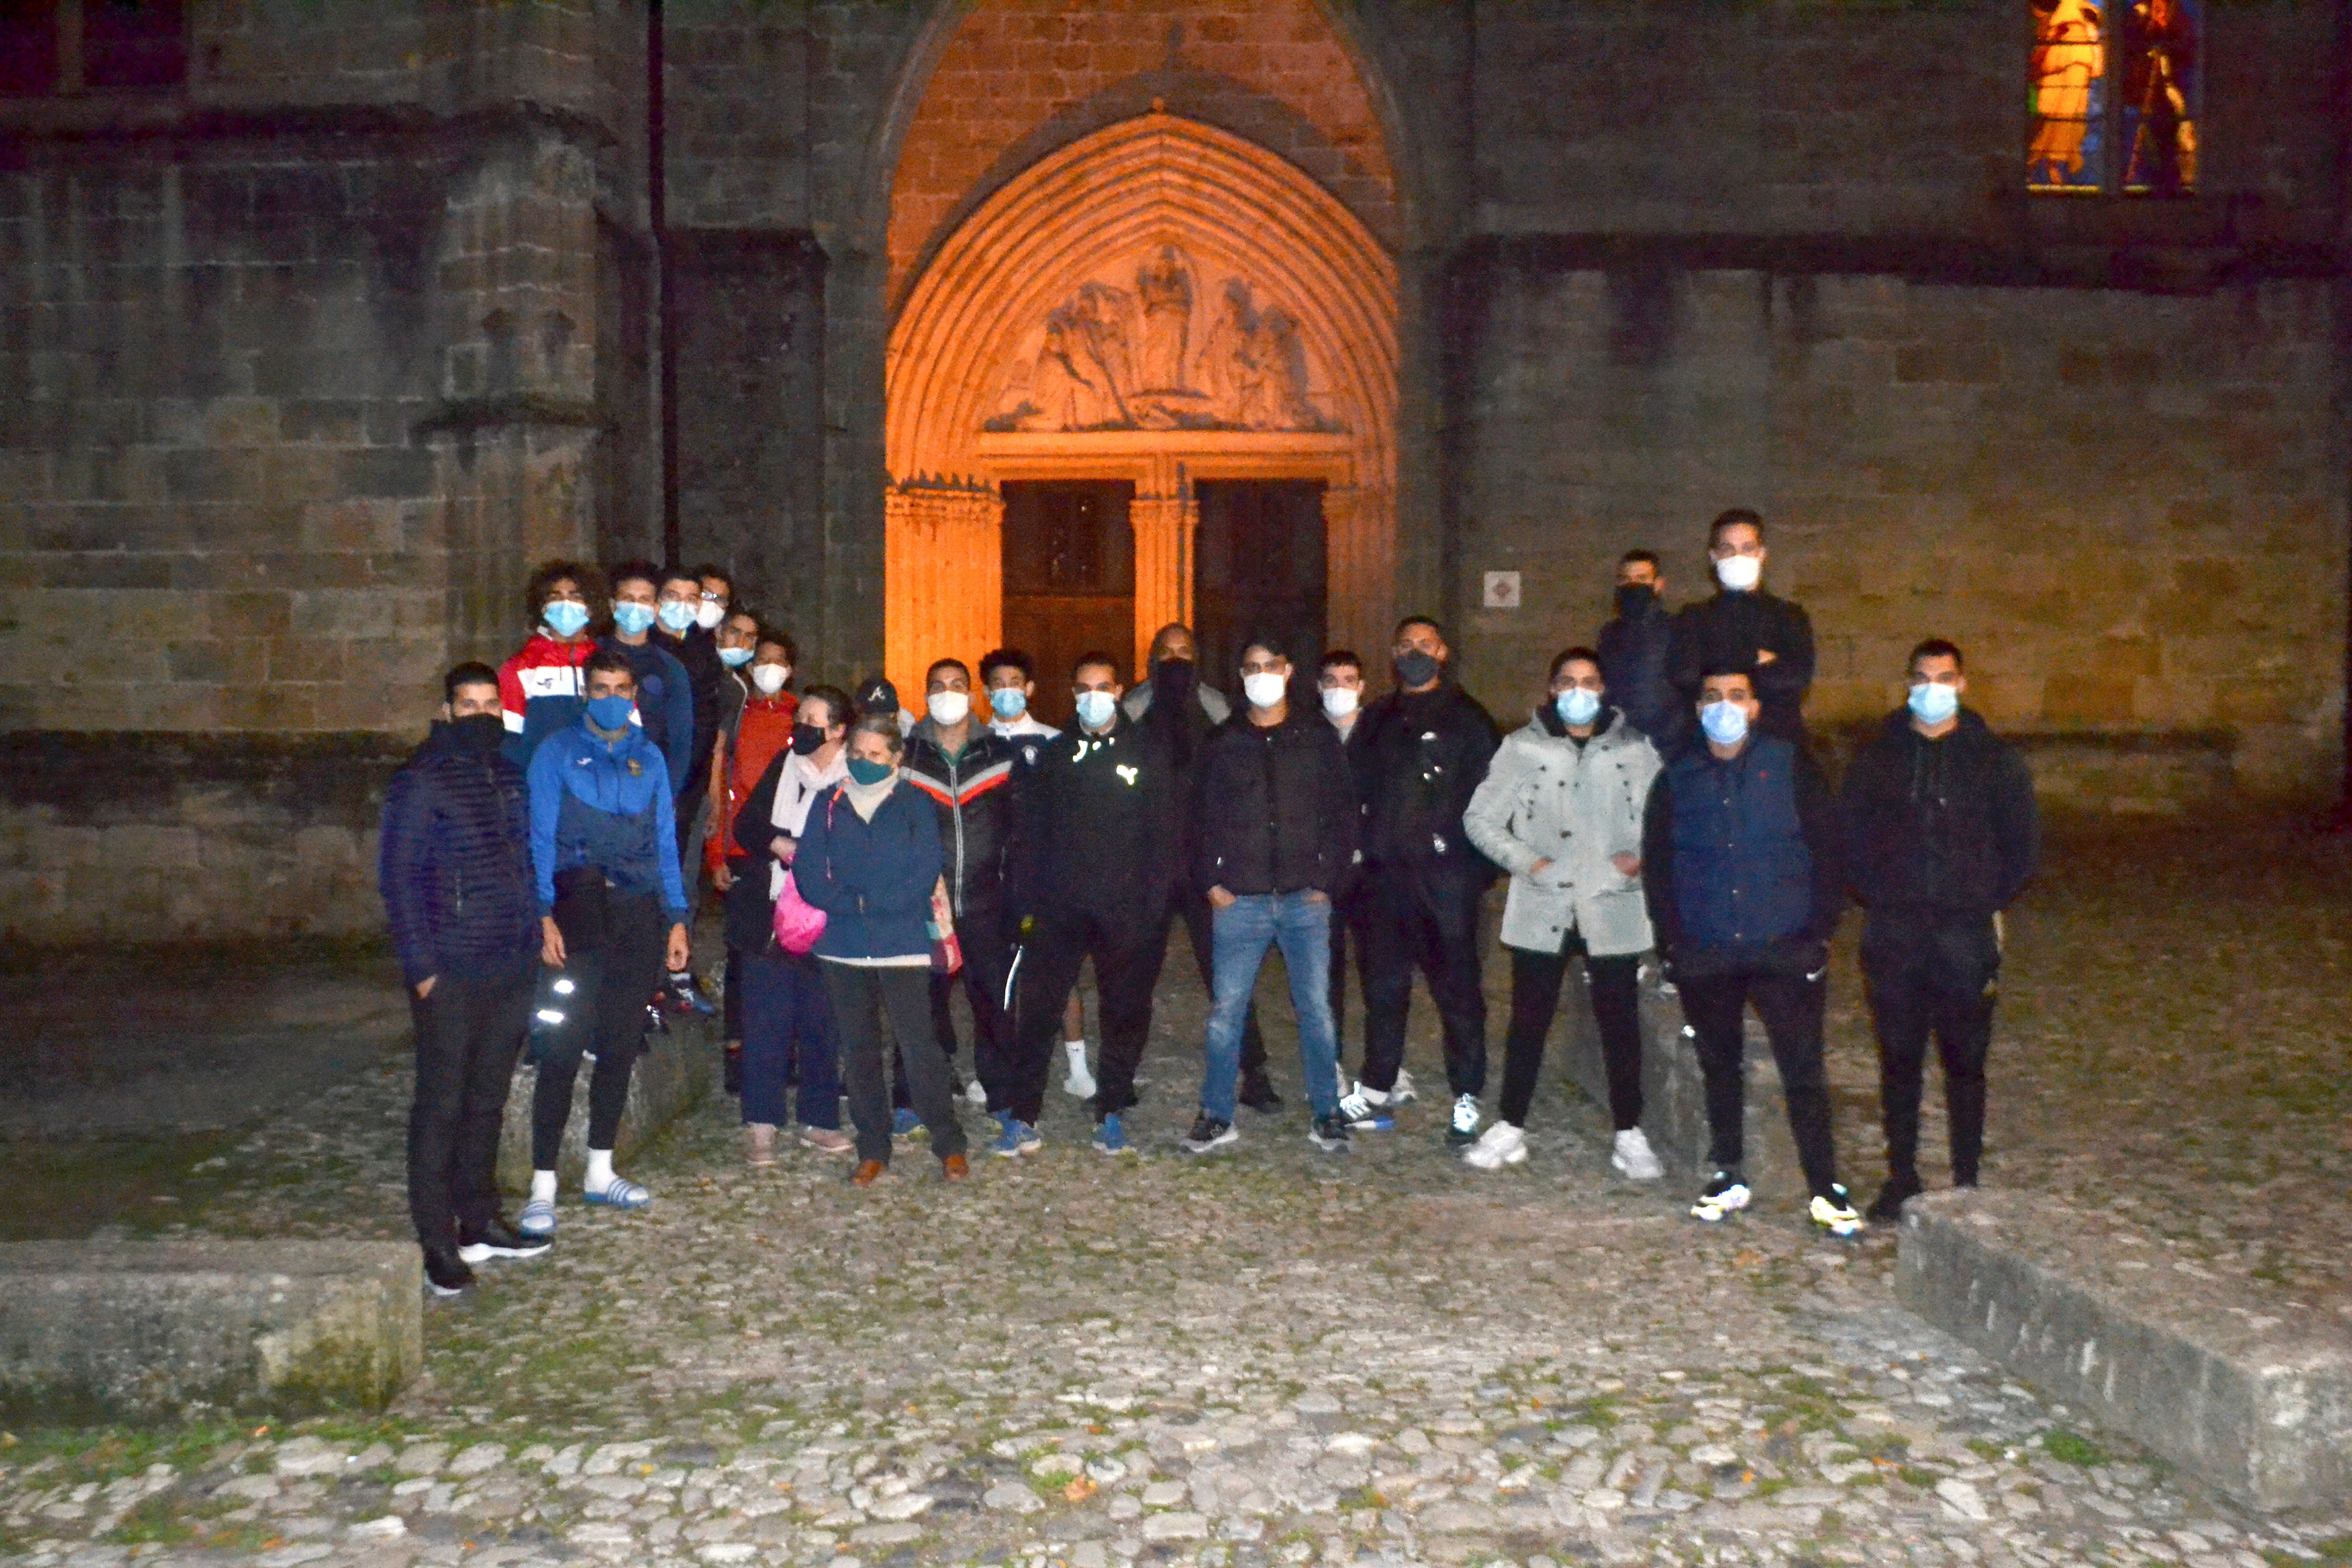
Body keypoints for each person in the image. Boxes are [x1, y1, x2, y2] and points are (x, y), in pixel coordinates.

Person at [1641, 664, 1860, 1236]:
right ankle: (1729, 1171)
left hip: (1783, 946)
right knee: (1720, 1066)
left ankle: (1823, 1183)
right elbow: (1660, 866)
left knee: (1803, 1069)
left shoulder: (1790, 767)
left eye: (1737, 696)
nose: (1724, 705)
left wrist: (1816, 935)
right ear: (1697, 709)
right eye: (1712, 696)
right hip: (1708, 949)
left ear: (1757, 707)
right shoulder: (1677, 778)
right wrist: (1674, 943)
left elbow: (1829, 852)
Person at [1840, 639, 2039, 1222]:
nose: (1933, 688)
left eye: (1945, 677)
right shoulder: (1878, 758)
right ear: (1907, 683)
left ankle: (1966, 1176)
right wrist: (1877, 891)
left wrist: (1980, 898)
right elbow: (1849, 833)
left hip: (1963, 931)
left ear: (1963, 683)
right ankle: (1901, 1174)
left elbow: (2022, 845)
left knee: (1965, 1058)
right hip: (1895, 929)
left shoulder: (1995, 760)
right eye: (1923, 678)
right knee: (1898, 1058)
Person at [379, 663, 549, 1296]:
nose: (479, 714)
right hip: (450, 969)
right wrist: (422, 969)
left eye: (488, 703)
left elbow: (525, 860)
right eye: (467, 704)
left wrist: (534, 937)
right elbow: (398, 878)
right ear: (447, 710)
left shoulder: (507, 774)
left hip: (509, 962)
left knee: (488, 1099)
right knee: (442, 1104)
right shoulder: (421, 779)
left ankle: (478, 1220)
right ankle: (437, 1238)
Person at [1462, 649, 1664, 1177]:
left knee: (1620, 1022)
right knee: (1529, 1019)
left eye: (1590, 681)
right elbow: (1481, 819)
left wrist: (1640, 858)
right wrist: (1528, 862)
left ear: (1604, 689)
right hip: (1544, 901)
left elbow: (1666, 816)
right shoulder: (1523, 748)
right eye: (1568, 682)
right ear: (1552, 689)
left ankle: (1629, 1130)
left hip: (1611, 902)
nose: (1579, 692)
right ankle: (1511, 1125)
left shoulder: (1635, 750)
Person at [521, 649, 693, 1235]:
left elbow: (667, 842)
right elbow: (540, 836)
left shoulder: (650, 758)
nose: (613, 697)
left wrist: (676, 917)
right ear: (586, 692)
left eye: (623, 687)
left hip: (637, 914)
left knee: (621, 1041)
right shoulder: (556, 753)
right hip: (579, 911)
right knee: (562, 1046)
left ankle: (601, 1167)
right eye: (602, 687)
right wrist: (542, 912)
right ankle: (542, 1182)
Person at [1004, 651, 1191, 1156]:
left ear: (1119, 690)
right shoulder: (1056, 753)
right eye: (1084, 688)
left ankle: (1110, 1109)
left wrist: (1155, 906)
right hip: (1059, 909)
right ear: (1072, 693)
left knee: (1125, 1011)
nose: (1094, 697)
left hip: (1127, 911)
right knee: (1039, 1011)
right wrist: (1030, 905)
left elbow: (1166, 833)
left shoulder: (1150, 750)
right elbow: (1032, 833)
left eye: (1104, 687)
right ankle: (1024, 1114)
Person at [1182, 639, 1358, 1156]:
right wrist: (1210, 883)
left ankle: (1327, 1111)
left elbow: (1343, 814)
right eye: (1253, 668)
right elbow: (1197, 817)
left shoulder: (1316, 738)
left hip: (1306, 899)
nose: (1263, 676)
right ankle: (1217, 1113)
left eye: (1271, 667)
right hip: (1242, 901)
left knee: (1317, 1010)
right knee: (1227, 1012)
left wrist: (1329, 880)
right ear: (1242, 675)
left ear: (1289, 671)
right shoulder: (1223, 741)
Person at [1338, 616, 1501, 1145]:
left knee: (1457, 993)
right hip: (1385, 881)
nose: (1415, 652)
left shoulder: (1470, 720)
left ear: (1443, 651)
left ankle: (1467, 1095)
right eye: (1405, 644)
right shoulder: (1378, 718)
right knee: (1384, 989)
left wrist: (1477, 872)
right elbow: (1351, 790)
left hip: (1447, 881)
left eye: (1425, 644)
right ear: (1392, 652)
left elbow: (1494, 799)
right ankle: (1378, 1086)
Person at [793, 713, 970, 1185]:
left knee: (920, 1049)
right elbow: (808, 869)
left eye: (875, 755)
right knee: (860, 1049)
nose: (864, 762)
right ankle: (874, 1147)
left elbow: (925, 867)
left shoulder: (914, 804)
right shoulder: (827, 804)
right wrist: (849, 905)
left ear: (895, 758)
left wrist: (878, 905)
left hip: (902, 941)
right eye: (857, 754)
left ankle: (948, 1144)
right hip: (843, 945)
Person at [1120, 622, 1276, 1110]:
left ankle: (1255, 1072)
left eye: (1184, 651)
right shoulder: (1130, 712)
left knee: (1228, 974)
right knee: (1133, 977)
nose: (1175, 660)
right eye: (1165, 652)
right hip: (1147, 865)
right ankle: (1118, 1075)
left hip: (1207, 866)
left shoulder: (1220, 713)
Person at [904, 658, 1026, 1152]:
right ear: (926, 692)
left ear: (973, 694)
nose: (948, 694)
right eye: (939, 686)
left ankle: (1004, 1099)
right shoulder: (907, 755)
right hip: (922, 907)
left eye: (958, 686)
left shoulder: (998, 753)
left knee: (995, 1004)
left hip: (986, 903)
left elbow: (1020, 831)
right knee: (919, 1006)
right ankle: (913, 1100)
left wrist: (1019, 894)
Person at [730, 684, 855, 1161]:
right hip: (773, 917)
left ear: (839, 730)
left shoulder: (857, 772)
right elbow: (747, 826)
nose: (802, 726)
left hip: (834, 918)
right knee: (766, 1022)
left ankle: (819, 1120)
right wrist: (781, 845)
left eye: (814, 719)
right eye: (799, 717)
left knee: (823, 1023)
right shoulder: (785, 768)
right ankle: (760, 1125)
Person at [981, 647, 1093, 1100]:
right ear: (986, 691)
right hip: (991, 875)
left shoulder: (1054, 741)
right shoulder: (976, 739)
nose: (1007, 691)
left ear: (1029, 688)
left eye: (1015, 682)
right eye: (998, 684)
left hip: (1046, 875)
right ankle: (994, 1065)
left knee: (1059, 974)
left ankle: (1078, 1065)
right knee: (994, 978)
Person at [707, 623, 796, 1092]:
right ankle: (741, 1059)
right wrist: (715, 852)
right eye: (762, 658)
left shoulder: (802, 716)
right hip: (744, 852)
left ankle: (791, 1055)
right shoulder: (737, 714)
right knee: (745, 958)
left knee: (794, 953)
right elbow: (721, 787)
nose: (769, 668)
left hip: (793, 855)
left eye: (779, 660)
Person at [1667, 510, 1815, 742]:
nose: (1738, 557)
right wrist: (1757, 658)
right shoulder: (1694, 616)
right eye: (1728, 549)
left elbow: (1796, 678)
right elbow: (1684, 675)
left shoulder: (1790, 616)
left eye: (1747, 548)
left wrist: (1715, 659)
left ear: (1762, 554)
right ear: (1714, 556)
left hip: (1777, 739)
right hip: (1710, 744)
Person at [1316, 649, 1387, 1089]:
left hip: (1373, 872)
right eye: (1331, 680)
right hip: (1324, 871)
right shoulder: (1307, 735)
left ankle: (1384, 1066)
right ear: (1318, 686)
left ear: (1362, 686)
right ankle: (1331, 1062)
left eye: (1349, 679)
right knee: (1325, 975)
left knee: (1381, 973)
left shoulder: (1381, 734)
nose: (1339, 688)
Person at [597, 561, 698, 796]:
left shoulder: (670, 668)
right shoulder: (590, 657)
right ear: (613, 606)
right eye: (628, 599)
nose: (636, 607)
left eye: (644, 601)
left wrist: (665, 797)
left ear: (655, 609)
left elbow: (681, 744)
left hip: (645, 788)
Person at [498, 561, 602, 768]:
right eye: (555, 597)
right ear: (543, 608)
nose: (566, 604)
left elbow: (629, 730)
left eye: (575, 596)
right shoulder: (519, 668)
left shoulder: (606, 665)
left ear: (590, 608)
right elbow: (509, 741)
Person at [1597, 549, 1682, 749]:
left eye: (1642, 578)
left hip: (1667, 743)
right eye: (1626, 579)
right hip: (1620, 743)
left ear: (1659, 584)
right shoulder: (1610, 634)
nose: (1633, 585)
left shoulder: (1677, 629)